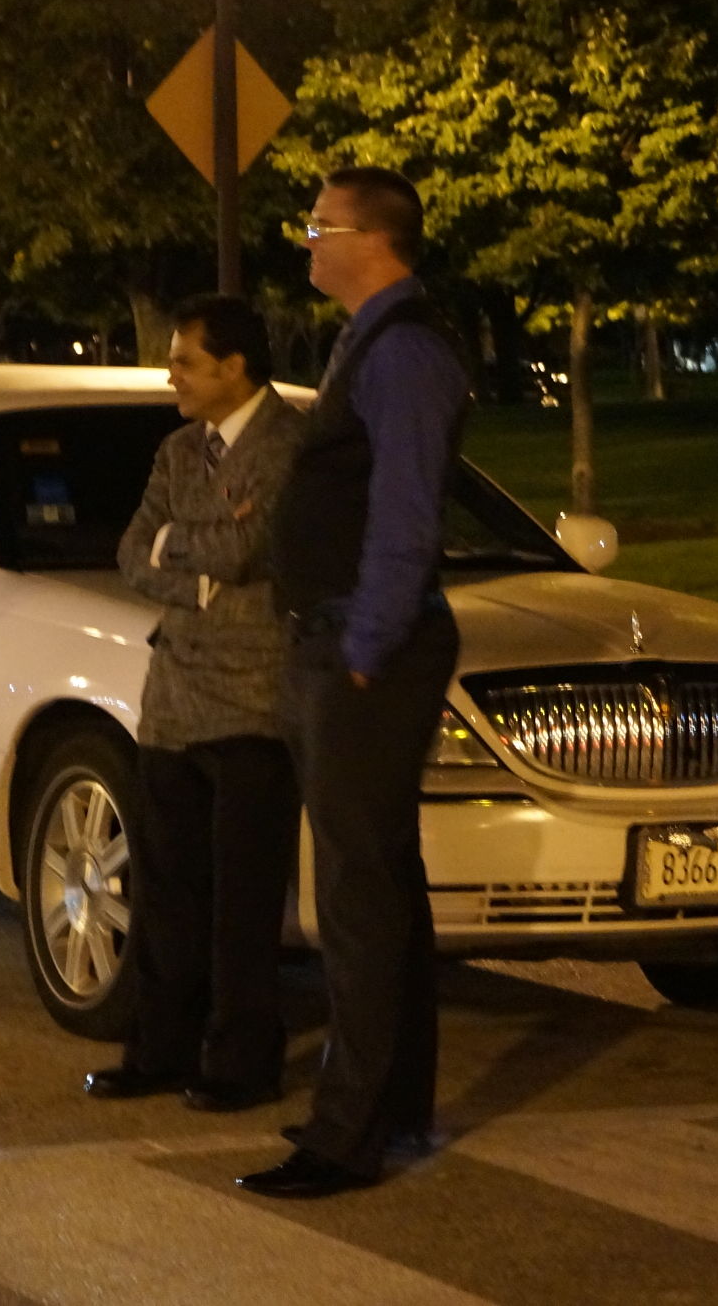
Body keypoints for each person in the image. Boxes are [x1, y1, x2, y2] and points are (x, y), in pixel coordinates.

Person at [238, 167, 470, 1199]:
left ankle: (349, 1133)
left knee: (358, 895)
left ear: (371, 238)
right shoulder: (370, 341)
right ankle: (391, 1107)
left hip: (363, 649)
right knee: (377, 885)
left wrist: (367, 646)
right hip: (338, 640)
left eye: (318, 226)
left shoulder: (406, 349)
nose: (307, 244)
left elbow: (406, 511)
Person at [86, 294, 306, 1112]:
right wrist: (194, 555)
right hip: (173, 696)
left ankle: (241, 1060)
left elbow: (254, 549)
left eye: (185, 361)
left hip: (254, 696)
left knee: (241, 899)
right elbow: (129, 553)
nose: (170, 374)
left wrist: (181, 546)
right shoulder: (179, 451)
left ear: (234, 368)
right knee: (167, 885)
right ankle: (157, 1047)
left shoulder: (288, 445)